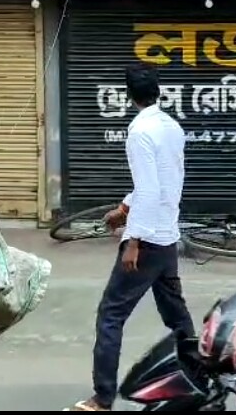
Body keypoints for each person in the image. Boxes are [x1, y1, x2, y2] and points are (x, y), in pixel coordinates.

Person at [66, 63, 195, 412]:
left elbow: (150, 188)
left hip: (148, 241)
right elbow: (164, 183)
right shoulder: (171, 126)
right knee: (176, 315)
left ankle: (102, 398)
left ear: (129, 95)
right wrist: (123, 209)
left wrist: (133, 240)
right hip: (167, 236)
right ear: (158, 91)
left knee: (111, 315)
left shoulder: (139, 131)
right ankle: (200, 373)